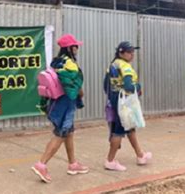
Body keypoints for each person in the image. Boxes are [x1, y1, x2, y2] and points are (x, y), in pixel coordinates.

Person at [31, 34, 89, 183]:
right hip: (66, 103)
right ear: (70, 48)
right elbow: (76, 86)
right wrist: (81, 94)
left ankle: (73, 164)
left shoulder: (56, 62)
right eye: (75, 46)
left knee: (69, 132)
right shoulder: (70, 64)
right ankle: (41, 164)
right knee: (61, 133)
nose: (77, 48)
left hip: (56, 102)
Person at [103, 41, 152, 171]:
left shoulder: (113, 65)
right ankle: (110, 160)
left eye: (132, 52)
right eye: (129, 52)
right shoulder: (125, 67)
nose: (132, 55)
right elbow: (129, 87)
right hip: (123, 102)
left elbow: (105, 85)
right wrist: (138, 87)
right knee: (119, 131)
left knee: (129, 128)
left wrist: (113, 95)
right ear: (121, 53)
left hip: (114, 99)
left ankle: (140, 155)